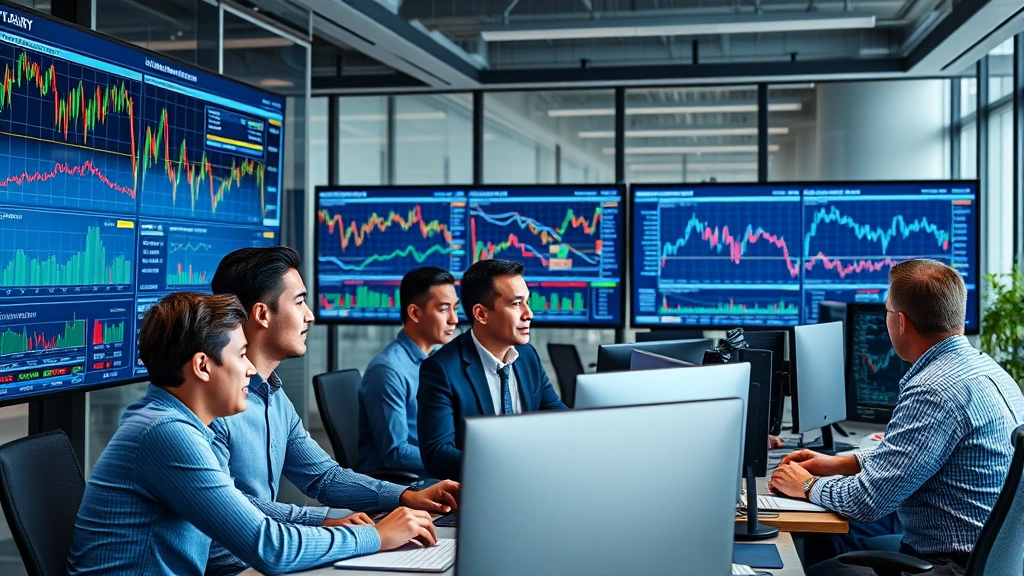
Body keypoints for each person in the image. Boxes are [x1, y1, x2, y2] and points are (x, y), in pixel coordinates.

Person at [67, 293, 438, 575]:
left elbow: (245, 514)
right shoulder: (166, 433)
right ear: (202, 366)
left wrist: (338, 524)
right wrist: (376, 536)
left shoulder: (179, 424)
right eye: (241, 355)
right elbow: (268, 547)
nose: (249, 370)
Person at [207, 247, 459, 576]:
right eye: (299, 302)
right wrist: (328, 522)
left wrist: (407, 496)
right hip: (233, 565)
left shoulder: (275, 397)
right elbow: (230, 508)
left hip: (266, 557)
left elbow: (324, 477)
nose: (310, 315)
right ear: (262, 314)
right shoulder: (212, 401)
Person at [768, 259, 1024, 575]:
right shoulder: (988, 369)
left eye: (887, 311)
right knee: (833, 548)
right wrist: (843, 463)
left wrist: (805, 484)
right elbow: (916, 457)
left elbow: (868, 502)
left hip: (949, 566)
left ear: (900, 321)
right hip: (985, 561)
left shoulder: (934, 388)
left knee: (807, 571)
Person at [417, 258, 568, 480]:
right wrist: (509, 465)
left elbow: (557, 414)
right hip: (480, 488)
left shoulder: (527, 356)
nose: (529, 314)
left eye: (527, 302)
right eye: (516, 304)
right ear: (481, 314)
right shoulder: (441, 369)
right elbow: (438, 456)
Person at [358, 267, 459, 477]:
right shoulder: (388, 370)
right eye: (443, 309)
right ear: (414, 313)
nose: (454, 319)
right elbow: (396, 453)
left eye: (455, 308)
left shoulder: (441, 358)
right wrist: (458, 461)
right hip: (406, 483)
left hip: (437, 474)